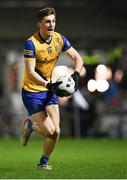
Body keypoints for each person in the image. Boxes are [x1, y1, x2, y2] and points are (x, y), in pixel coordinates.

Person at [20, 7, 83, 170]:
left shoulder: (59, 39)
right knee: (49, 130)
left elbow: (77, 57)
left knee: (56, 132)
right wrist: (48, 84)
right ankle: (30, 126)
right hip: (32, 91)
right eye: (47, 21)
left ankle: (43, 164)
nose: (51, 24)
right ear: (39, 24)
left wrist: (76, 74)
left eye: (53, 21)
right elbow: (30, 72)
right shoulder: (31, 43)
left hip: (49, 89)